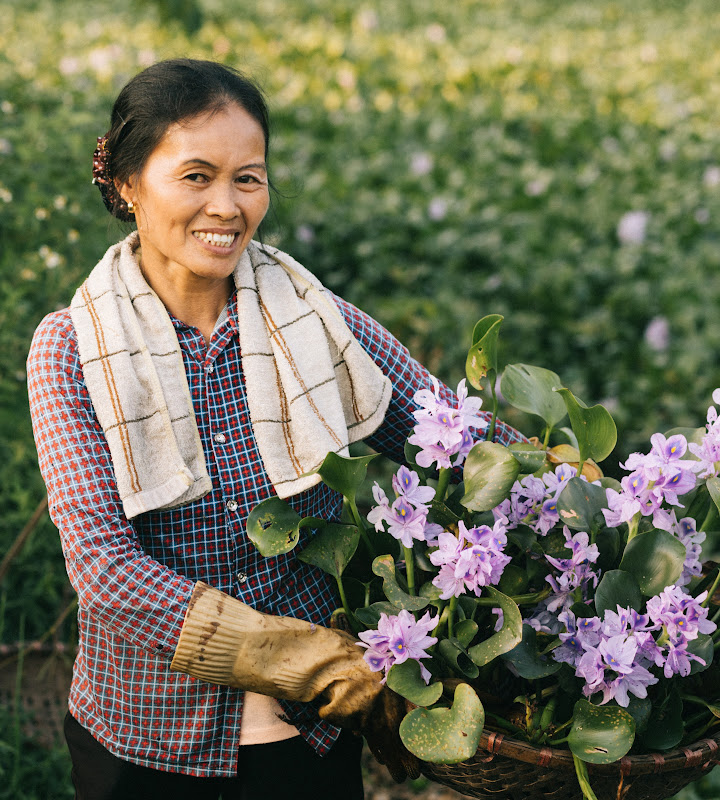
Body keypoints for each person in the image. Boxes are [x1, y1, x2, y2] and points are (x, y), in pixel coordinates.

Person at [27, 58, 523, 800]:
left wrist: (607, 498)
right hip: (145, 738)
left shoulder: (314, 321)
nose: (225, 207)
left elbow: (459, 441)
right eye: (195, 176)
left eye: (247, 178)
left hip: (308, 738)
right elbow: (104, 571)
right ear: (129, 185)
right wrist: (313, 660)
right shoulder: (69, 347)